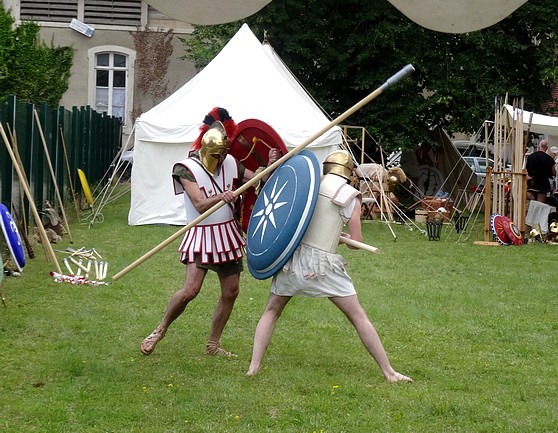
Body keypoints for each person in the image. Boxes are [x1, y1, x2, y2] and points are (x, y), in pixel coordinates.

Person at [246, 150, 413, 383]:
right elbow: (357, 242)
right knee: (358, 317)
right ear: (348, 172)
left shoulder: (308, 186)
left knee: (272, 311)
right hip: (323, 265)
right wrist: (343, 236)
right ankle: (389, 372)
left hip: (293, 262)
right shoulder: (350, 196)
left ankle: (254, 367)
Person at [140, 107, 281, 357]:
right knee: (190, 290)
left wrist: (268, 166)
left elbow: (256, 180)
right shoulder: (185, 168)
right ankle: (159, 330)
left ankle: (213, 345)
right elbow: (199, 203)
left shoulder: (230, 162)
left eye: (225, 152)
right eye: (219, 153)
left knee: (231, 291)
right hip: (201, 236)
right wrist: (222, 196)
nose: (223, 156)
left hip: (227, 235)